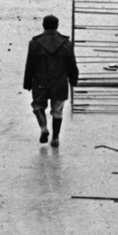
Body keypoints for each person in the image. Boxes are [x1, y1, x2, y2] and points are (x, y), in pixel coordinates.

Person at [23, 13, 80, 146]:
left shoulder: (34, 44)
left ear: (43, 26)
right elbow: (72, 65)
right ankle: (55, 138)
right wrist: (73, 80)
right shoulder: (66, 44)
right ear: (57, 26)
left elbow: (29, 65)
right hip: (59, 83)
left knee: (38, 106)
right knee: (57, 111)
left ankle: (43, 127)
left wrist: (27, 83)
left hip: (40, 82)